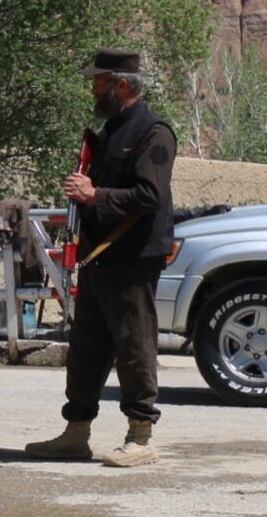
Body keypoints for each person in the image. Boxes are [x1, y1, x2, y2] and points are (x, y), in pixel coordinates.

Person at [25, 49, 177, 468]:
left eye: (99, 81)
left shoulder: (154, 133)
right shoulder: (109, 131)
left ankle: (141, 437)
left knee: (133, 346)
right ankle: (76, 434)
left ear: (122, 85)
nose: (93, 88)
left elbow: (151, 195)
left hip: (131, 257)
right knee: (86, 349)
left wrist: (95, 195)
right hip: (98, 257)